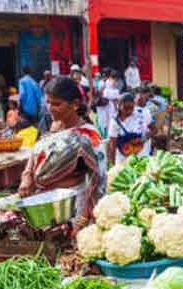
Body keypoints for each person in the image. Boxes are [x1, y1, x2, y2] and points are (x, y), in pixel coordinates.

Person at [19, 76, 104, 232]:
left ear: (75, 105)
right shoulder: (49, 122)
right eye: (48, 102)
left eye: (57, 104)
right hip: (42, 204)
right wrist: (27, 175)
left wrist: (83, 219)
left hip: (71, 206)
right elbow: (36, 150)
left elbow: (98, 181)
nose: (50, 108)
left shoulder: (88, 136)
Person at [107, 93, 151, 166]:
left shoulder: (141, 114)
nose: (129, 110)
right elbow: (112, 144)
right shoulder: (115, 121)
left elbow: (154, 129)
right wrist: (113, 164)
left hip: (142, 158)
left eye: (131, 107)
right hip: (123, 160)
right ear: (119, 106)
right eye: (126, 107)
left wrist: (142, 139)